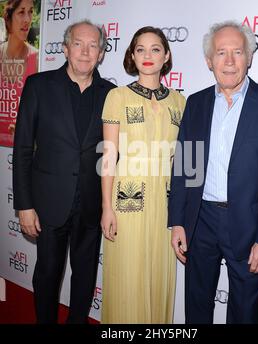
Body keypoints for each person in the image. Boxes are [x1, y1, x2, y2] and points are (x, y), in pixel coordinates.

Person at [168, 21, 258, 324]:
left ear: (249, 57)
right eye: (220, 53)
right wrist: (178, 222)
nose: (229, 61)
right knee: (196, 306)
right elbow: (186, 166)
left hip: (251, 225)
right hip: (201, 221)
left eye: (237, 52)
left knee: (245, 313)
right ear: (209, 61)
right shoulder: (196, 103)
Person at [13, 20, 115, 324]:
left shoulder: (112, 94)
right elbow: (22, 150)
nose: (85, 52)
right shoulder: (39, 86)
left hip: (91, 206)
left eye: (93, 45)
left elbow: (112, 154)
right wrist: (24, 205)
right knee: (47, 275)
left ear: (100, 54)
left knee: (85, 279)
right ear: (66, 48)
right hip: (48, 205)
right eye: (79, 44)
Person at [101, 26, 186, 323]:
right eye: (140, 49)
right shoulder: (117, 96)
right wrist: (106, 207)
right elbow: (108, 156)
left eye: (155, 49)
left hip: (166, 203)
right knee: (128, 276)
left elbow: (189, 162)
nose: (147, 55)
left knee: (159, 276)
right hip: (127, 200)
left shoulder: (180, 101)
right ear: (132, 56)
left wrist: (186, 215)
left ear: (167, 55)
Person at [0, 0, 38, 145]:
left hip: (25, 142)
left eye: (30, 12)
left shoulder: (36, 58)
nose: (27, 19)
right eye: (21, 12)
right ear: (9, 18)